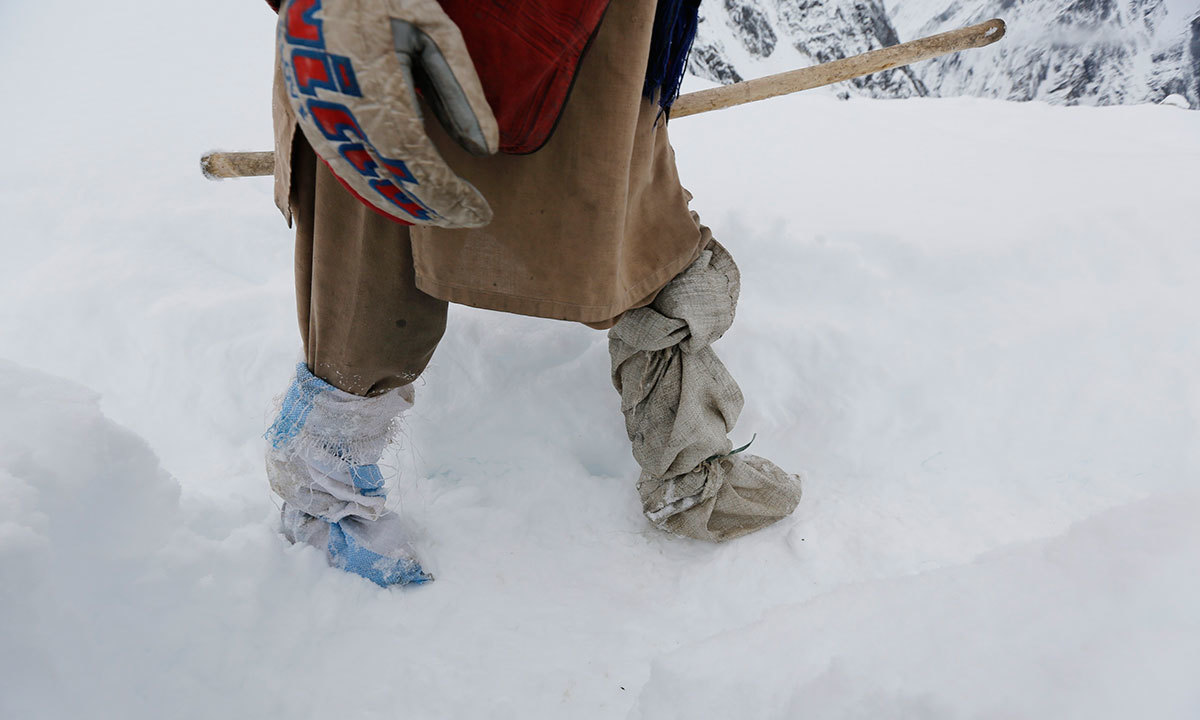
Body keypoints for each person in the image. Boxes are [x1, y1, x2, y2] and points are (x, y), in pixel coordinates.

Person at [264, 0, 804, 586]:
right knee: (378, 228)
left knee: (641, 227)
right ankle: (324, 494)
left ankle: (685, 463)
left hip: (596, 33)